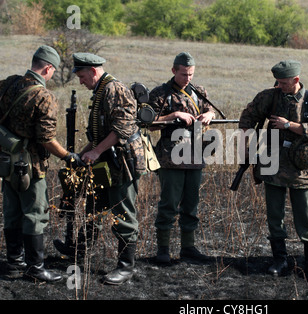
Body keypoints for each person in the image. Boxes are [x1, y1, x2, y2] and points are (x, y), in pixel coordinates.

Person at [54, 52, 146, 285]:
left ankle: (126, 267)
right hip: (107, 160)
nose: (81, 81)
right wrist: (85, 153)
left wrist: (95, 152)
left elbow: (122, 128)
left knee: (122, 212)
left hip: (122, 162)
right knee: (95, 205)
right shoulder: (101, 90)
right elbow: (100, 133)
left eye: (83, 76)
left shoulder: (114, 89)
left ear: (94, 71)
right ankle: (79, 253)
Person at [238, 60, 308, 283]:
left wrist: (290, 125)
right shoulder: (269, 96)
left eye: (284, 82)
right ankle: (280, 260)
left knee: (306, 217)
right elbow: (247, 117)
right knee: (274, 216)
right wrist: (246, 143)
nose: (279, 85)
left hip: (301, 168)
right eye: (277, 81)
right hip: (272, 164)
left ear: (296, 80)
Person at [0, 45, 84, 282]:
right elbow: (46, 139)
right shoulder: (44, 97)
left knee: (12, 211)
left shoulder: (8, 83)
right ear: (48, 68)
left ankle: (14, 263)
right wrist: (68, 156)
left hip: (6, 161)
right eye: (53, 71)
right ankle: (35, 268)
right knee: (35, 214)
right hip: (31, 166)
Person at [147, 52, 215, 264]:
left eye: (191, 74)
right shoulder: (161, 93)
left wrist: (209, 116)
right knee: (169, 204)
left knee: (191, 205)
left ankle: (188, 248)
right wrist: (174, 116)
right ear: (174, 71)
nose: (188, 78)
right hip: (171, 158)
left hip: (195, 155)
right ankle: (163, 250)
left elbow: (210, 109)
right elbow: (149, 123)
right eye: (184, 74)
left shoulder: (199, 92)